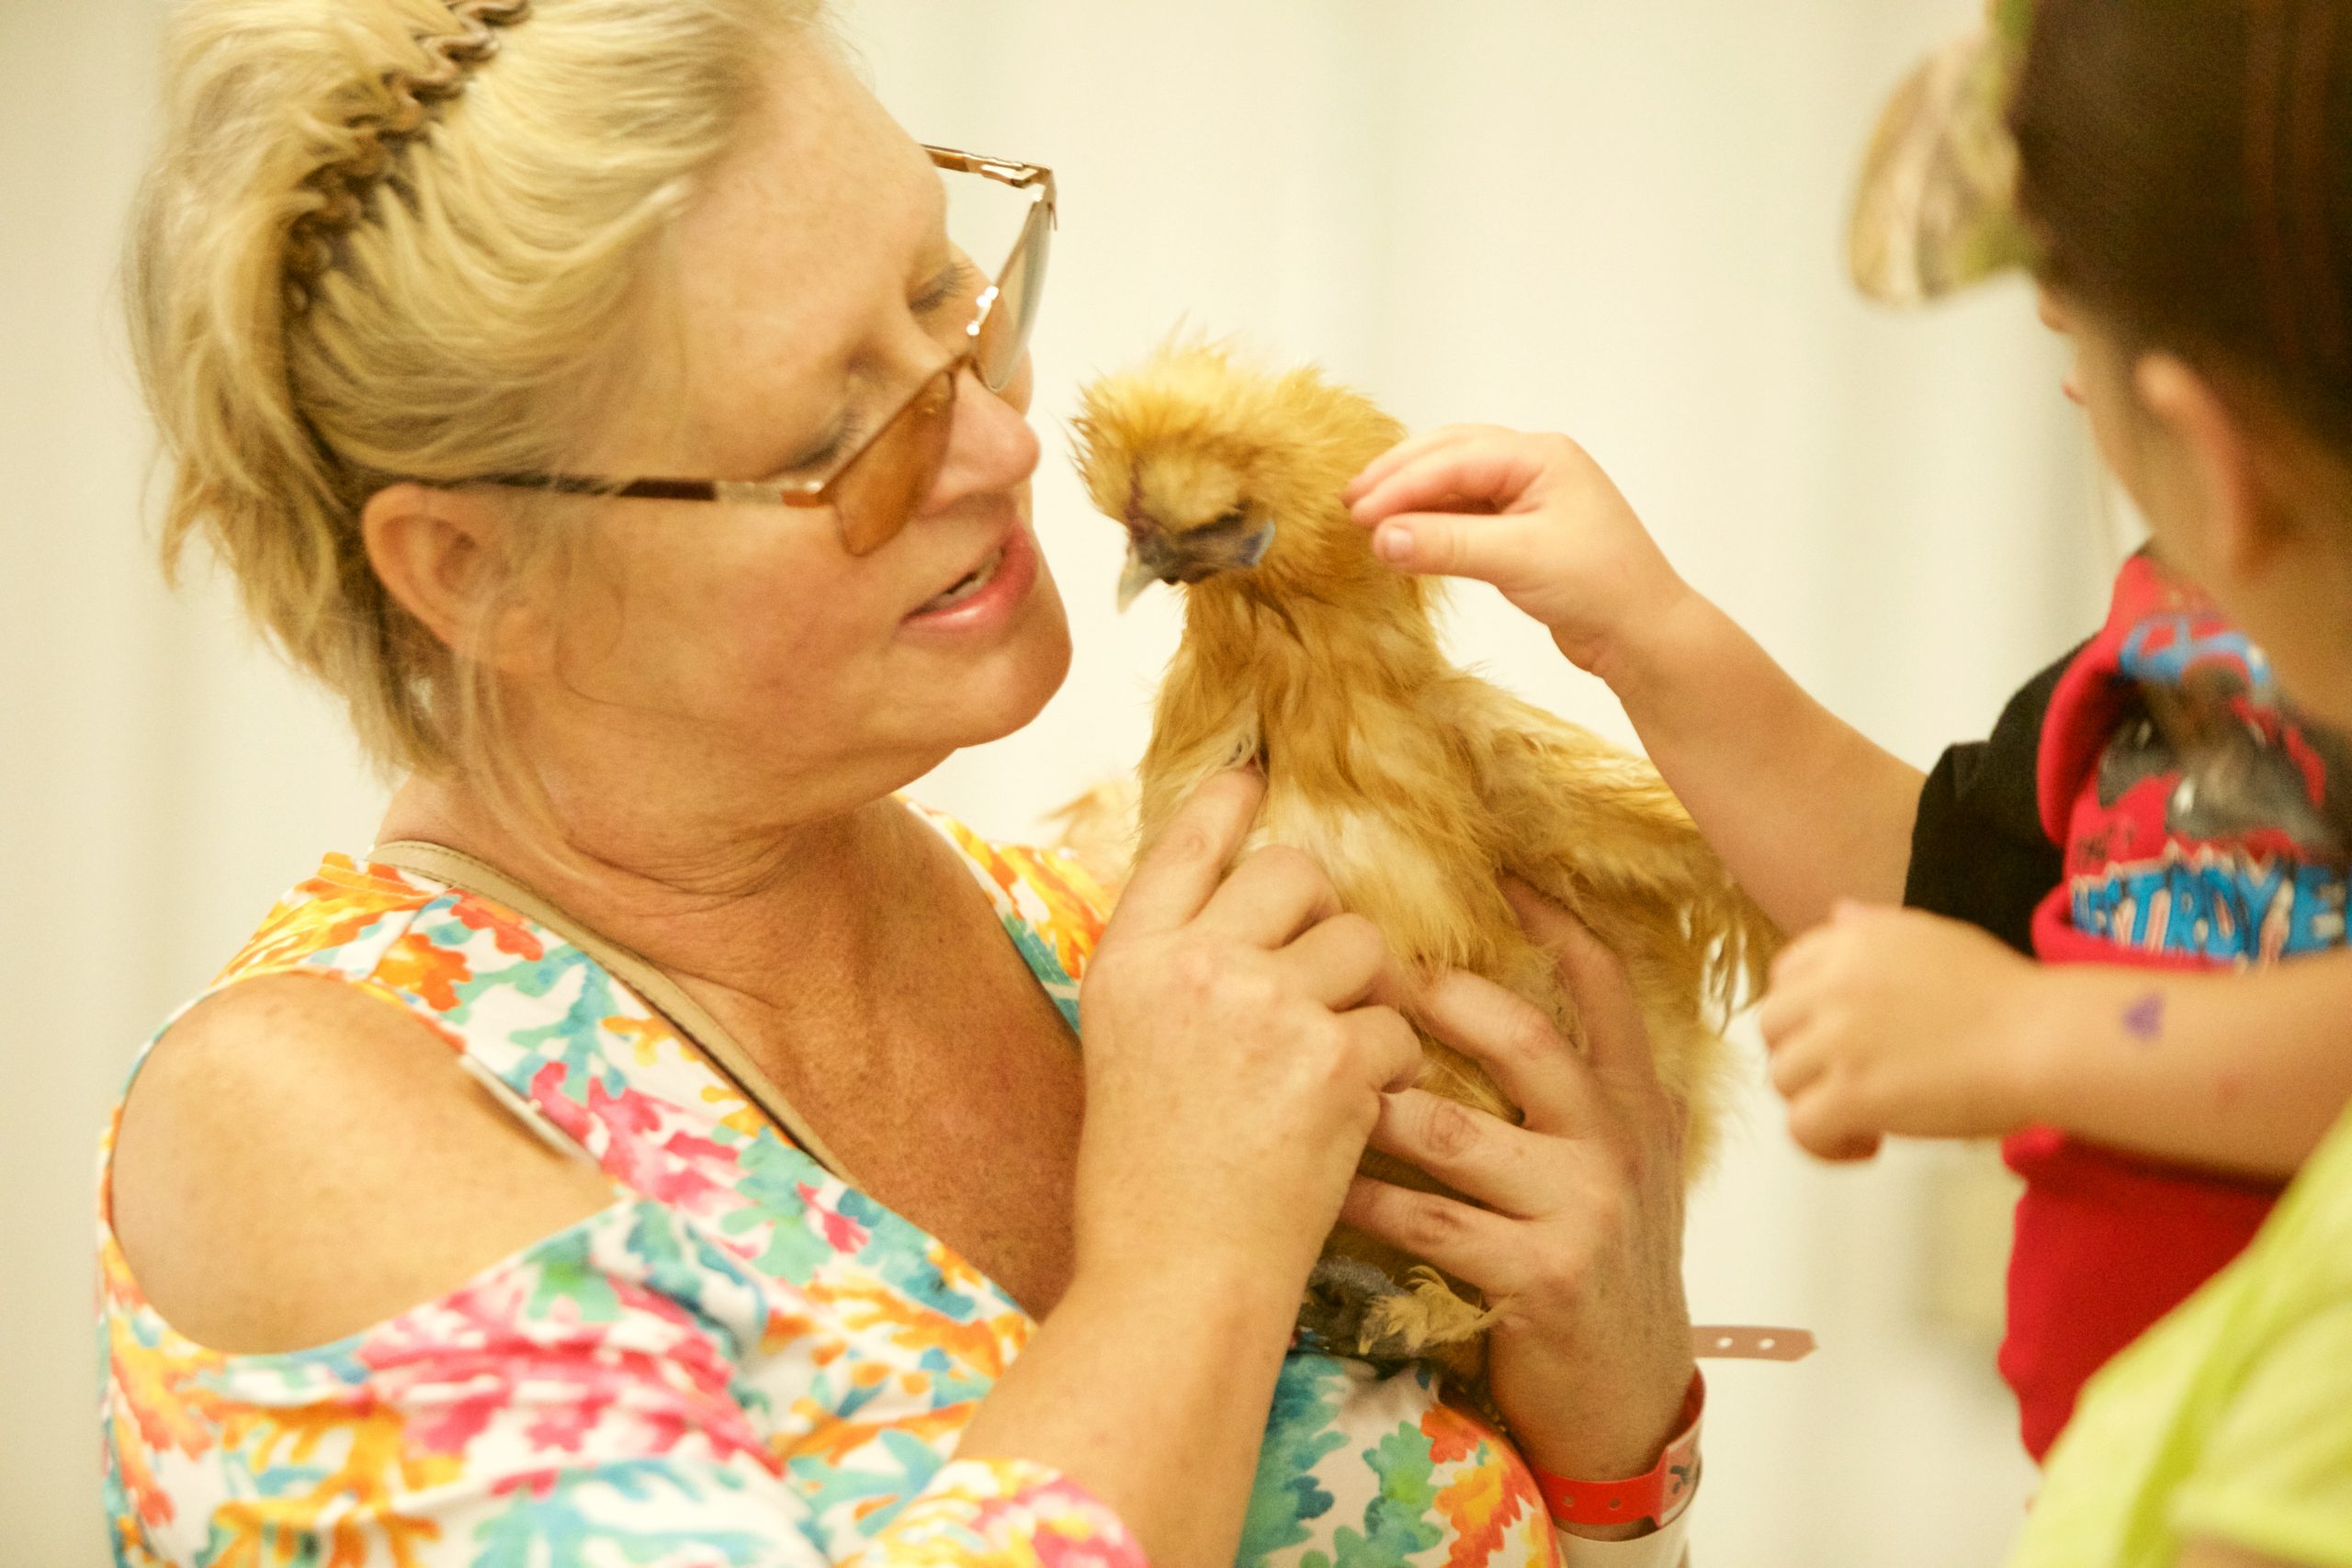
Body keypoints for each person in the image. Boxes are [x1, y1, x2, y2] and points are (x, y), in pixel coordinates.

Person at [98, 2, 1706, 1565]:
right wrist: (1186, 1262)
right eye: (838, 428)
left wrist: (1617, 1459)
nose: (1001, 446)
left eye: (954, 298)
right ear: (477, 570)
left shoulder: (1107, 941)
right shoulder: (305, 1126)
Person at [1345, 0, 2352, 1474]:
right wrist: (1650, 632)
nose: (2068, 380)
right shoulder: (2172, 672)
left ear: (2211, 447)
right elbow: (1932, 879)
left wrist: (2030, 1036)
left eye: (2081, 346)